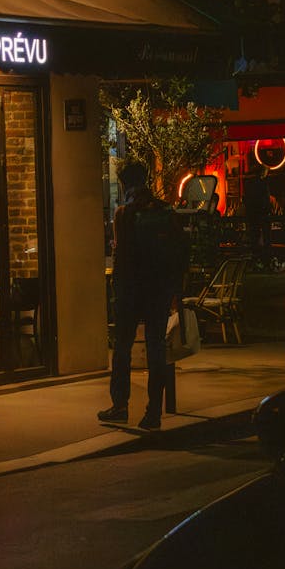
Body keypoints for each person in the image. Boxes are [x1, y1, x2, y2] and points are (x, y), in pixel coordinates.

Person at [98, 162, 186, 430]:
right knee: (156, 349)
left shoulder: (124, 213)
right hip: (158, 291)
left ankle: (120, 406)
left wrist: (118, 289)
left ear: (125, 184)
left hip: (130, 292)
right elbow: (179, 252)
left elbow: (121, 255)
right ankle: (153, 413)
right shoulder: (165, 211)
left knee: (122, 349)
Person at [243, 166, 273, 268]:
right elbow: (266, 199)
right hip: (263, 214)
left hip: (253, 214)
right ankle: (265, 259)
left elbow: (246, 199)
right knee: (266, 237)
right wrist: (268, 209)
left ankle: (256, 259)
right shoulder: (263, 184)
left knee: (254, 236)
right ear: (263, 173)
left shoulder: (250, 184)